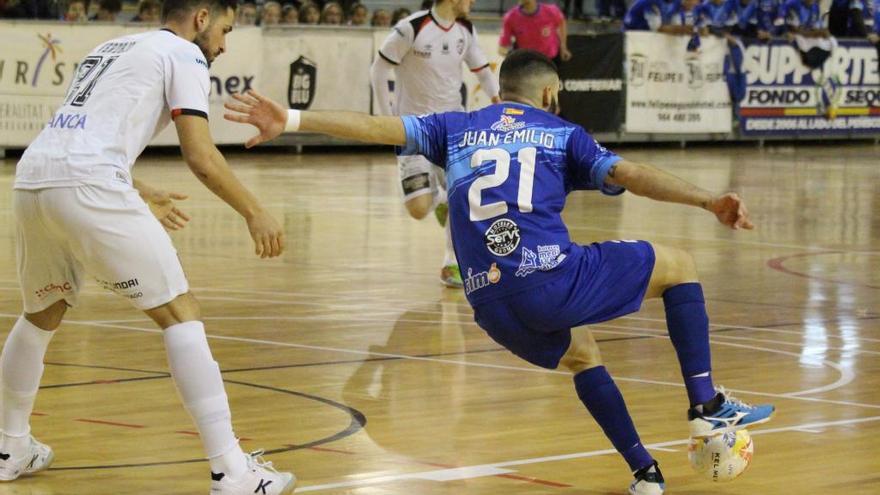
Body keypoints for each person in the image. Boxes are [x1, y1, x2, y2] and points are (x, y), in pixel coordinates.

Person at [224, 50, 775, 495]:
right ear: (551, 94)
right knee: (681, 264)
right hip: (550, 281)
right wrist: (708, 201)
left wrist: (292, 118)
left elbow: (375, 126)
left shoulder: (456, 127)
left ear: (500, 88)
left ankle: (646, 475)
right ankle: (705, 407)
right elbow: (629, 173)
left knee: (583, 354)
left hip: (489, 306)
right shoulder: (563, 135)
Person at [4, 0, 294, 493]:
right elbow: (201, 156)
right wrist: (254, 210)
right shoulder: (184, 54)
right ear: (201, 17)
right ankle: (232, 471)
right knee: (181, 314)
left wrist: (138, 187)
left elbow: (79, 139)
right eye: (224, 30)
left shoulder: (112, 46)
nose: (223, 45)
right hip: (89, 185)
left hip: (32, 181)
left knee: (42, 312)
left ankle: (9, 445)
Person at [370, 0, 500, 288]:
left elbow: (482, 70)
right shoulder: (411, 29)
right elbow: (378, 70)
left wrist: (497, 100)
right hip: (412, 130)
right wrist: (387, 119)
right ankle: (440, 200)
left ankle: (451, 262)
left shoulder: (465, 29)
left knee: (463, 194)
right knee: (418, 208)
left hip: (452, 128)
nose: (473, 2)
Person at [499, 0, 572, 66]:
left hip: (551, 60)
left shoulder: (551, 10)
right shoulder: (510, 17)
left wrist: (563, 47)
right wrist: (511, 55)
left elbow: (562, 22)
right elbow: (502, 47)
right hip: (527, 63)